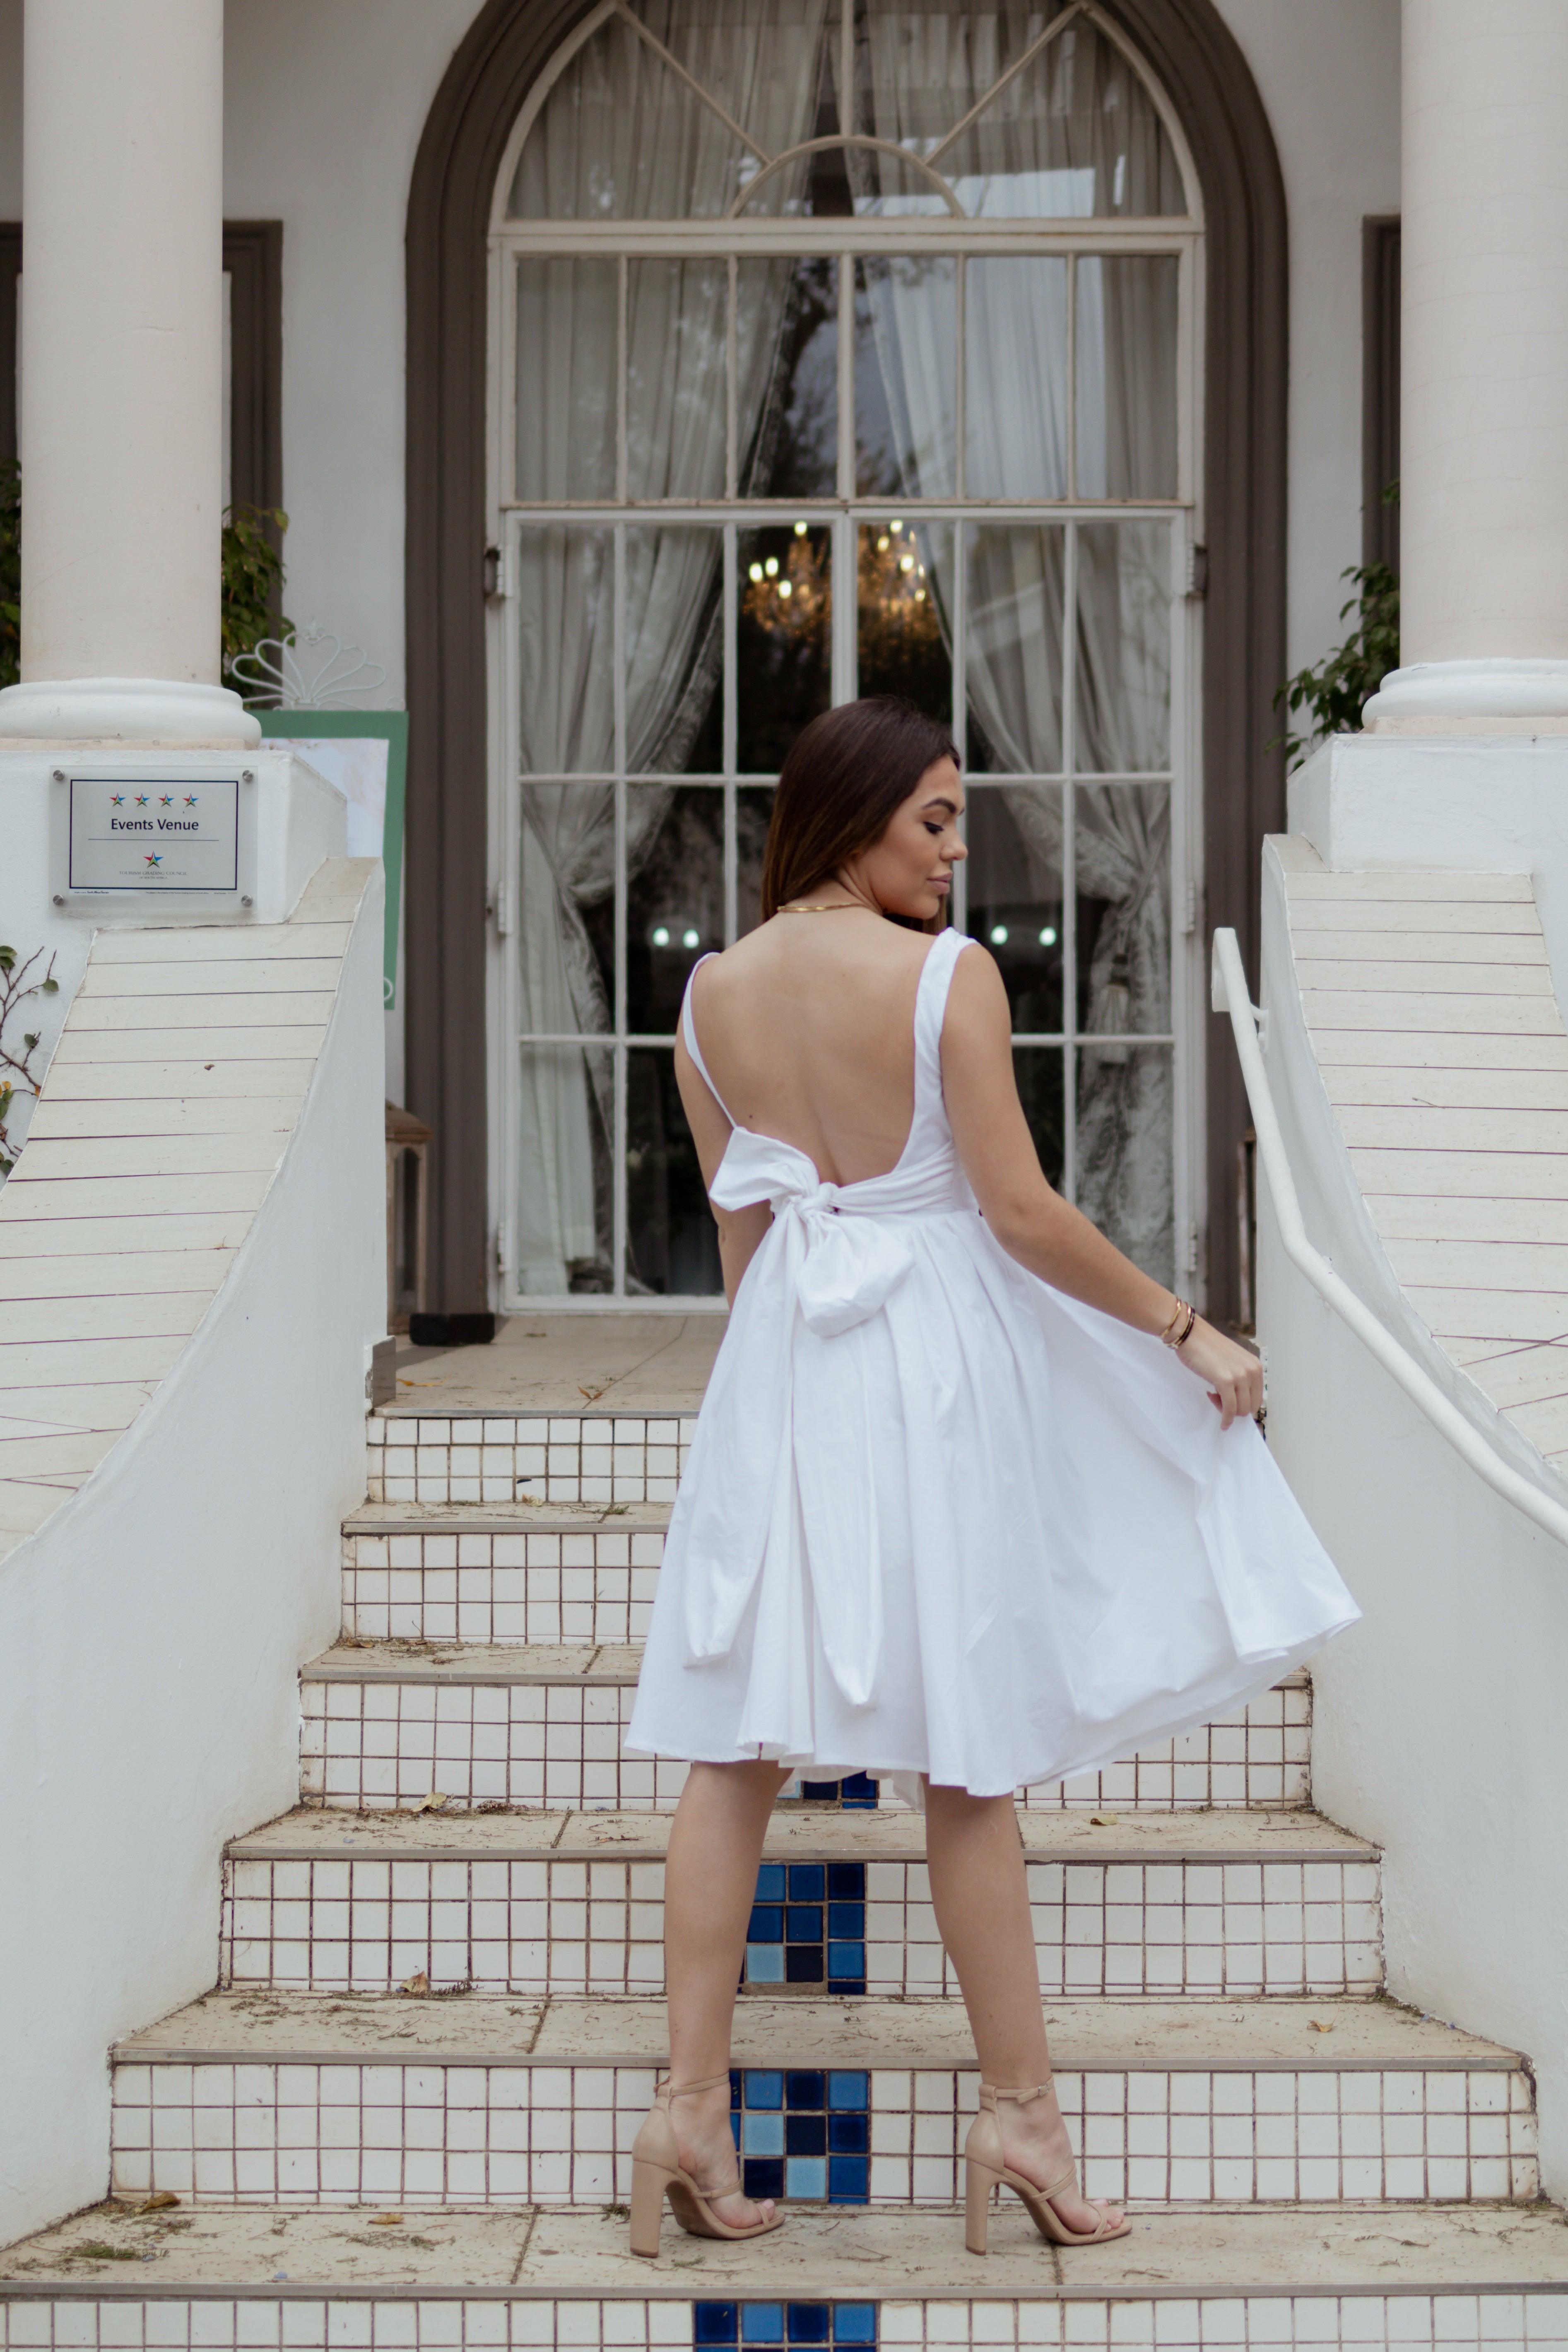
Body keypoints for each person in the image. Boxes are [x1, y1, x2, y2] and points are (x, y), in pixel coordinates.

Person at [624, 697, 1358, 2261]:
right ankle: (1017, 2118)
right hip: (925, 1373)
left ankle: (688, 2103)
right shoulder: (944, 979)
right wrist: (1183, 1325)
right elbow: (1017, 1213)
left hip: (783, 1375)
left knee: (734, 1743)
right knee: (967, 1761)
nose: (958, 852)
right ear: (851, 819)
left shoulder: (706, 997)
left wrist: (782, 1398)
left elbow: (748, 1249)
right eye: (934, 821)